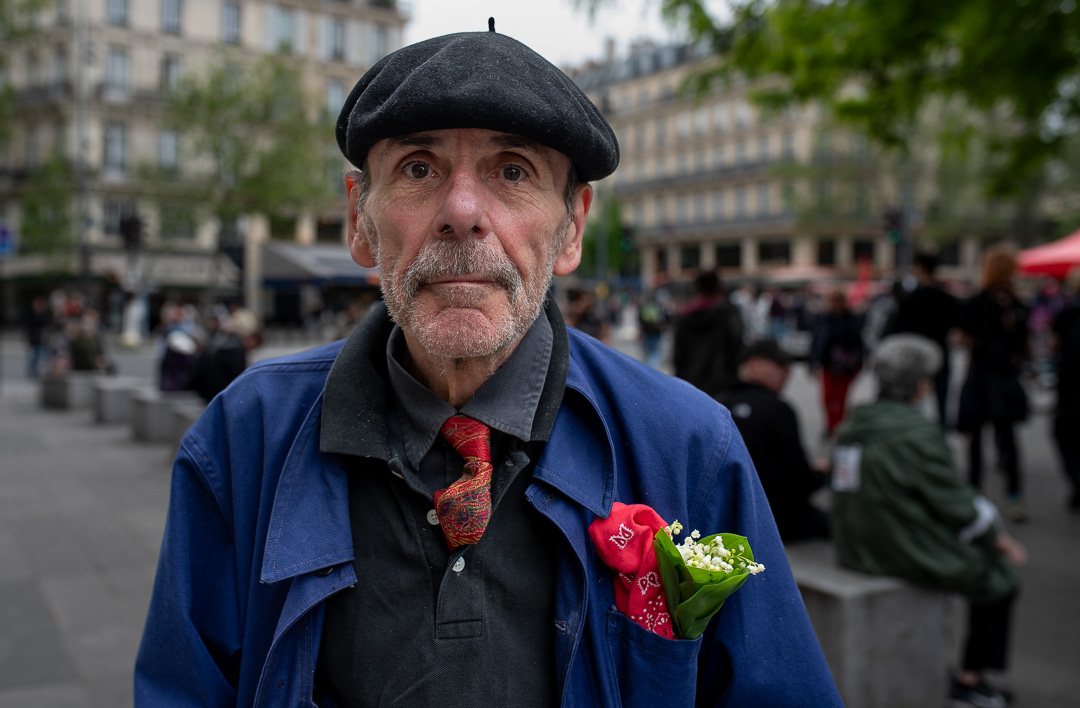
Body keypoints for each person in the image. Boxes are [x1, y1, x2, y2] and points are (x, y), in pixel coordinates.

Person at [134, 27, 840, 707]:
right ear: (360, 220)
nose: (463, 212)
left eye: (512, 172)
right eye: (419, 169)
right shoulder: (243, 439)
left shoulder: (689, 446)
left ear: (572, 229)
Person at [831, 334, 1026, 708]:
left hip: (856, 543)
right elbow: (955, 503)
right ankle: (970, 680)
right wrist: (998, 540)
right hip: (895, 546)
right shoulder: (917, 432)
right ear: (921, 385)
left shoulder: (854, 426)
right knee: (999, 577)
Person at [718, 339, 829, 542]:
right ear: (754, 365)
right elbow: (800, 479)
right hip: (775, 521)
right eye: (780, 365)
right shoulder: (778, 409)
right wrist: (821, 474)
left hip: (725, 517)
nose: (788, 372)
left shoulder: (717, 403)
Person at [957, 246, 1030, 522]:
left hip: (981, 377)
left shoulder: (977, 302)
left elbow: (963, 338)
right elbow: (1024, 347)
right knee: (1007, 440)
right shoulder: (1017, 304)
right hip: (1005, 378)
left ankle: (973, 496)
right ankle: (1014, 496)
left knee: (976, 440)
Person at [889, 252, 961, 428]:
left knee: (914, 398)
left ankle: (916, 431)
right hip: (941, 352)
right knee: (941, 400)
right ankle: (941, 433)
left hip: (915, 356)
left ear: (921, 268)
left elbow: (898, 329)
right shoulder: (945, 297)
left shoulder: (910, 298)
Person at [673, 270, 744, 396]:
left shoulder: (685, 315)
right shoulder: (728, 312)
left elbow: (679, 352)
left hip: (691, 378)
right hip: (721, 379)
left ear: (697, 287)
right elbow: (736, 345)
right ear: (719, 286)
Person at [809, 288, 864, 437]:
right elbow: (816, 340)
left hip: (846, 366)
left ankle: (838, 427)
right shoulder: (823, 318)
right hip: (827, 365)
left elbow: (858, 343)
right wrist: (813, 360)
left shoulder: (851, 318)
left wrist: (859, 363)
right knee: (827, 398)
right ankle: (831, 425)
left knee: (841, 399)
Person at [1051, 274, 1080, 511]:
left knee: (1066, 436)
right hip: (1070, 387)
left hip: (1071, 389)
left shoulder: (1068, 313)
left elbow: (1054, 344)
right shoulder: (1067, 313)